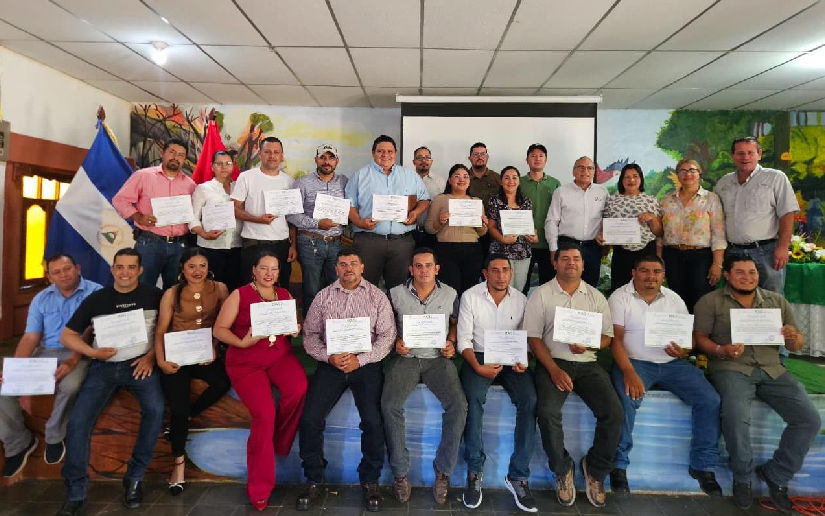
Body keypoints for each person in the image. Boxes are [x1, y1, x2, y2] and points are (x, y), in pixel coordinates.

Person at [694, 254, 821, 513]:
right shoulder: (710, 301)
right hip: (731, 368)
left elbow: (796, 343)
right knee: (735, 416)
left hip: (772, 369)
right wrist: (721, 350)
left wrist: (793, 337)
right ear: (727, 276)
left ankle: (777, 473)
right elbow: (700, 338)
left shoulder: (776, 301)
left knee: (809, 419)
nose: (747, 277)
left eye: (752, 272)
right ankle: (742, 477)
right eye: (740, 272)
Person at [56, 248, 164, 515]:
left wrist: (150, 357)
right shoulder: (97, 299)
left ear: (140, 270)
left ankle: (135, 477)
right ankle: (76, 492)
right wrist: (92, 353)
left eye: (131, 267)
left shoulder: (155, 295)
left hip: (140, 366)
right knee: (78, 423)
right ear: (112, 269)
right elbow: (67, 336)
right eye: (120, 267)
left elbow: (167, 331)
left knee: (155, 410)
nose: (125, 272)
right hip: (103, 368)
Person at [607, 255, 721, 497]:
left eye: (656, 271)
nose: (651, 276)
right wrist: (628, 371)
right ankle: (618, 466)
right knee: (626, 399)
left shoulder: (673, 298)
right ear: (633, 273)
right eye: (644, 271)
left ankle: (703, 466)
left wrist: (684, 350)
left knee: (710, 399)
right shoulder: (619, 297)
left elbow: (689, 339)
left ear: (663, 275)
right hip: (635, 362)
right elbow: (615, 340)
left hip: (672, 364)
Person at [296, 249, 395, 513]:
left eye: (353, 263)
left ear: (362, 267)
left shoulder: (377, 296)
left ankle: (370, 479)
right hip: (331, 364)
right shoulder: (323, 297)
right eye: (342, 264)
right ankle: (314, 478)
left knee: (373, 421)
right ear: (336, 269)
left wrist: (360, 360)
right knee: (309, 419)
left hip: (365, 364)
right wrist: (328, 357)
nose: (348, 268)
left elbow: (387, 337)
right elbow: (310, 335)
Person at [524, 241, 621, 509]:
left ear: (583, 264)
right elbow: (533, 338)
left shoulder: (595, 296)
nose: (571, 263)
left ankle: (596, 469)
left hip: (588, 364)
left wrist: (589, 344)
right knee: (547, 412)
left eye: (576, 259)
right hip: (553, 363)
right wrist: (554, 370)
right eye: (565, 259)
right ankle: (562, 468)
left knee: (614, 412)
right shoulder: (541, 294)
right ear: (554, 263)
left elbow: (606, 338)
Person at [213, 251, 307, 511]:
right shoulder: (239, 294)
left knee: (299, 388)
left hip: (278, 355)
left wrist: (295, 329)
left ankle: (280, 442)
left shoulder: (284, 295)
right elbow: (219, 329)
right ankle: (260, 488)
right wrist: (241, 342)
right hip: (246, 361)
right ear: (254, 270)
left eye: (274, 269)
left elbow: (290, 326)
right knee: (264, 416)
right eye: (264, 268)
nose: (269, 274)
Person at [0, 254, 101, 477]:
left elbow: (93, 333)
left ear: (77, 268)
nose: (63, 275)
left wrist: (74, 359)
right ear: (49, 276)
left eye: (67, 269)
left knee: (71, 385)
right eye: (56, 272)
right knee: (3, 387)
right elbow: (31, 337)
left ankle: (54, 436)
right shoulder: (41, 298)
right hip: (46, 353)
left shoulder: (96, 292)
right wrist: (14, 369)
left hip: (81, 351)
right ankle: (19, 443)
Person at [382, 248, 466, 505]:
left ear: (437, 269)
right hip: (406, 359)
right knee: (389, 405)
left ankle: (443, 471)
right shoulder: (394, 294)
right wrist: (396, 342)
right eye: (418, 266)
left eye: (428, 265)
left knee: (459, 405)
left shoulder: (451, 293)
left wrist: (451, 342)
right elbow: (386, 326)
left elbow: (455, 322)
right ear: (411, 270)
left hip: (437, 359)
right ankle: (400, 473)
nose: (423, 270)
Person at [458, 253, 537, 513]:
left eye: (505, 270)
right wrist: (477, 366)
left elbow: (526, 339)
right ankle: (474, 471)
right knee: (472, 399)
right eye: (495, 270)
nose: (501, 275)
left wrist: (524, 360)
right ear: (485, 273)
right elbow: (464, 340)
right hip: (480, 356)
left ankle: (518, 475)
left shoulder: (522, 300)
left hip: (512, 357)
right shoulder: (470, 296)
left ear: (511, 273)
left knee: (530, 401)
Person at [154, 249, 231, 496]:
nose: (197, 271)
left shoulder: (220, 289)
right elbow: (161, 330)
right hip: (176, 355)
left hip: (205, 353)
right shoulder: (172, 293)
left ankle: (190, 415)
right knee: (177, 408)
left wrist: (214, 347)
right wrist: (161, 361)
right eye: (191, 266)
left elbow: (223, 324)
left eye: (202, 266)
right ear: (182, 268)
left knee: (222, 382)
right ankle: (178, 466)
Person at [714, 136, 799, 294]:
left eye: (750, 153)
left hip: (767, 252)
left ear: (759, 154)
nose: (745, 157)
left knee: (772, 298)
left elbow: (787, 213)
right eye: (740, 153)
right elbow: (717, 219)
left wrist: (783, 247)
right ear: (732, 156)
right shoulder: (723, 183)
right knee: (736, 298)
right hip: (733, 252)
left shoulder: (775, 177)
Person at [346, 135, 431, 290]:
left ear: (395, 153)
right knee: (365, 288)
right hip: (369, 241)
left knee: (400, 290)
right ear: (373, 153)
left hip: (402, 243)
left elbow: (424, 199)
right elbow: (349, 205)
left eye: (390, 151)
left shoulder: (410, 175)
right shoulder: (360, 175)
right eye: (380, 151)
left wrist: (415, 213)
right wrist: (359, 222)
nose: (385, 155)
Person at [113, 138, 195, 289]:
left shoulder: (190, 184)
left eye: (181, 155)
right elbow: (120, 200)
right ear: (162, 153)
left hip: (180, 245)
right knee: (143, 288)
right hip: (149, 243)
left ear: (184, 159)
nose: (175, 157)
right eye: (172, 152)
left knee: (176, 291)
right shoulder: (143, 176)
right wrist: (138, 217)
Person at [286, 144, 348, 317]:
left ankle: (334, 326)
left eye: (331, 158)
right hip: (310, 242)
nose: (326, 162)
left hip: (336, 243)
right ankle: (311, 329)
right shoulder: (302, 183)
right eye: (322, 157)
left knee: (337, 288)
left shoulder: (344, 182)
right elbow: (291, 214)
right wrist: (317, 223)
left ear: (337, 161)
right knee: (311, 289)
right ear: (316, 160)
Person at [659, 159, 726, 312]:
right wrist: (659, 259)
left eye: (692, 170)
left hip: (701, 256)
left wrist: (717, 264)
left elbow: (718, 234)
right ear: (677, 175)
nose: (687, 174)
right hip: (672, 256)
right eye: (682, 170)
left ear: (699, 174)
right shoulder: (667, 200)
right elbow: (660, 235)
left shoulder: (711, 198)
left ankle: (700, 328)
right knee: (676, 299)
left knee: (701, 300)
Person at [232, 136, 297, 290]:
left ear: (281, 155)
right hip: (253, 244)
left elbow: (292, 218)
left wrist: (293, 245)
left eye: (276, 152)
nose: (272, 156)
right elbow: (233, 209)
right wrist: (257, 219)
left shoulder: (289, 181)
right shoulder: (247, 177)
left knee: (280, 290)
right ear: (260, 154)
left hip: (281, 245)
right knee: (250, 291)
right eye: (267, 152)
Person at [425, 164, 489, 296]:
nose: (462, 180)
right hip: (446, 250)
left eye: (465, 176)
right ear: (449, 180)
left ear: (469, 181)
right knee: (450, 291)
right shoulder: (440, 199)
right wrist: (439, 222)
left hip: (472, 250)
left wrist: (483, 225)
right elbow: (429, 228)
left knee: (469, 291)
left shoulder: (476, 201)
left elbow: (482, 232)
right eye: (457, 176)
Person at [545, 156, 608, 288]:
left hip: (593, 248)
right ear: (573, 171)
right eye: (581, 167)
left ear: (594, 172)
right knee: (564, 286)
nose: (585, 171)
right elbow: (552, 221)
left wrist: (604, 234)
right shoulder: (561, 192)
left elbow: (607, 218)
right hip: (567, 246)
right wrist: (553, 249)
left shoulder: (602, 192)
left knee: (590, 288)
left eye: (590, 168)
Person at [600, 163, 662, 292]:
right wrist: (603, 238)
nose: (631, 180)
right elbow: (605, 227)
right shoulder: (612, 201)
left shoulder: (651, 200)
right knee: (620, 290)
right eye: (627, 177)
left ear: (641, 179)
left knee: (646, 289)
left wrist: (651, 217)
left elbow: (659, 232)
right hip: (621, 253)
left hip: (646, 252)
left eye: (635, 176)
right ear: (621, 180)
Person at [189, 150, 243, 292]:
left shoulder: (240, 187)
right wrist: (204, 234)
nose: (224, 167)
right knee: (211, 290)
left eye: (228, 163)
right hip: (211, 247)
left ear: (233, 166)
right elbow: (192, 218)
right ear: (212, 166)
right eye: (219, 164)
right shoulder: (203, 188)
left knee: (233, 289)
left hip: (237, 246)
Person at [489, 165, 538, 292]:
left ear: (519, 181)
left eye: (514, 177)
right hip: (501, 253)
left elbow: (530, 225)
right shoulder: (495, 201)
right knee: (504, 289)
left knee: (519, 290)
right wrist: (503, 239)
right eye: (507, 178)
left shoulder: (526, 202)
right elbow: (491, 226)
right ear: (501, 181)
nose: (511, 181)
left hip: (523, 253)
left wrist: (534, 237)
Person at [519, 144, 560, 293]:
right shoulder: (518, 182)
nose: (537, 159)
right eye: (533, 156)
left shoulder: (555, 184)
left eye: (541, 156)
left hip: (548, 243)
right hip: (523, 243)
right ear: (527, 160)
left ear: (546, 160)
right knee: (521, 286)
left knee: (548, 287)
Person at [411, 146, 446, 250]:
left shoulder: (440, 182)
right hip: (409, 232)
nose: (423, 161)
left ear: (431, 161)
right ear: (414, 161)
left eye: (427, 158)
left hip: (432, 232)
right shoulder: (407, 180)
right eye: (419, 158)